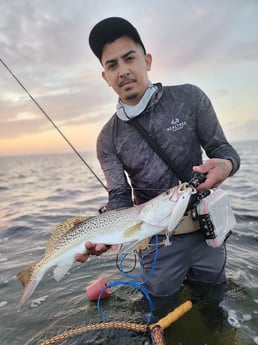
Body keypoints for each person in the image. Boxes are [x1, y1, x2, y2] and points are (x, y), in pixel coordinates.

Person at [75, 17, 240, 298]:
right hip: (155, 245)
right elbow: (119, 198)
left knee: (215, 305)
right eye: (112, 65)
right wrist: (104, 236)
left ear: (147, 60)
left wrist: (225, 166)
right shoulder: (108, 138)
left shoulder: (190, 98)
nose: (123, 71)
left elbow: (224, 152)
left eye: (130, 58)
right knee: (159, 313)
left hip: (206, 233)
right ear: (105, 76)